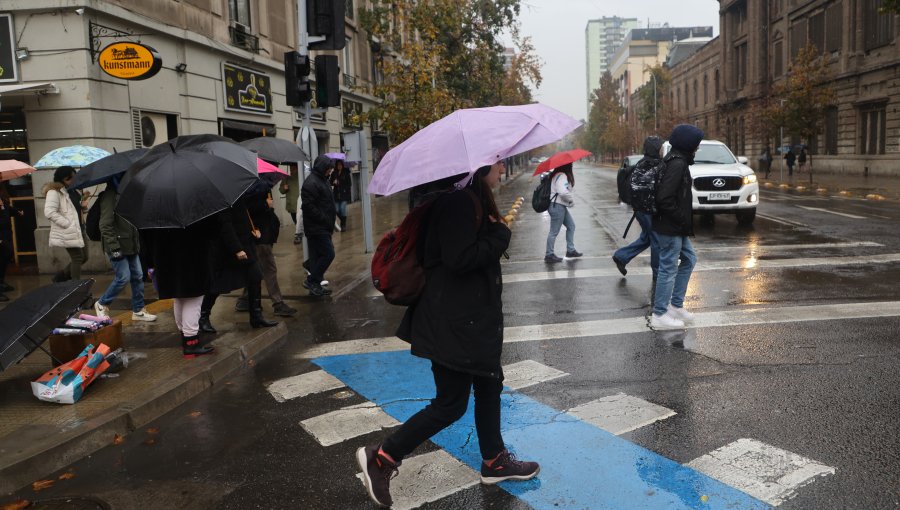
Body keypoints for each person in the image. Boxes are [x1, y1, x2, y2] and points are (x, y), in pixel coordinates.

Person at [356, 163, 539, 508]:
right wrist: (499, 236)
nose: (502, 166)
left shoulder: (466, 199)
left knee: (489, 385)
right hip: (455, 323)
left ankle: (494, 460)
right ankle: (382, 457)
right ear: (481, 167)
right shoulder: (457, 203)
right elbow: (458, 259)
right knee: (450, 404)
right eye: (497, 161)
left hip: (469, 321)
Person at [199, 196, 279, 333]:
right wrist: (237, 248)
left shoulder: (238, 195)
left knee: (255, 277)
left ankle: (256, 317)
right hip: (229, 250)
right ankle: (203, 317)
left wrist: (254, 230)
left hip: (247, 245)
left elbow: (243, 217)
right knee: (219, 284)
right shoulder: (223, 199)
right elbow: (226, 226)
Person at [650, 124, 702, 330]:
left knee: (689, 259)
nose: (697, 148)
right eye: (696, 144)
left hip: (675, 226)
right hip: (670, 226)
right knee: (668, 267)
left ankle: (675, 305)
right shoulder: (677, 164)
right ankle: (660, 314)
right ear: (688, 144)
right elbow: (664, 198)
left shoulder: (677, 160)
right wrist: (680, 218)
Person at [143, 218, 217, 358]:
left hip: (166, 262)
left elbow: (146, 239)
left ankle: (185, 336)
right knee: (193, 300)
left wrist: (150, 263)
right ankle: (191, 342)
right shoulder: (192, 211)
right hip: (191, 262)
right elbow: (211, 233)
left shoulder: (155, 212)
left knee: (180, 298)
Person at [93, 176, 157, 322]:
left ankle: (138, 310)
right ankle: (102, 303)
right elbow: (105, 225)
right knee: (123, 277)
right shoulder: (109, 196)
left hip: (131, 244)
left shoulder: (127, 195)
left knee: (138, 276)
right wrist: (114, 247)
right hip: (117, 245)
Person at [234, 182, 296, 317]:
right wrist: (265, 204)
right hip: (259, 235)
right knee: (269, 269)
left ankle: (244, 300)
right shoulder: (250, 187)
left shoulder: (260, 185)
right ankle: (278, 303)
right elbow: (246, 208)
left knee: (258, 269)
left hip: (265, 234)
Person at [612, 136, 662, 279]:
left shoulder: (644, 163)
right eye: (660, 148)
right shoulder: (649, 165)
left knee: (647, 238)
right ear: (655, 149)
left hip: (641, 210)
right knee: (656, 240)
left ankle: (621, 257)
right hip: (646, 210)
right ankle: (657, 274)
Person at [43, 166, 89, 281]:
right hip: (68, 230)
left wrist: (83, 206)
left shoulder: (74, 190)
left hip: (80, 228)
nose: (72, 180)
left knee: (85, 257)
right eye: (69, 178)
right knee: (78, 257)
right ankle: (74, 286)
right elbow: (49, 212)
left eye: (74, 177)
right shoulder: (55, 192)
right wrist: (67, 224)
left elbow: (75, 210)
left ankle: (60, 277)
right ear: (60, 179)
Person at [301, 155, 337, 297]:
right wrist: (324, 219)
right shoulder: (311, 183)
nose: (330, 172)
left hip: (323, 226)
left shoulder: (322, 180)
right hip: (316, 227)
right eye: (328, 169)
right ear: (323, 168)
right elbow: (308, 207)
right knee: (328, 254)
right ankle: (312, 280)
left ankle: (314, 279)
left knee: (320, 255)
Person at [544, 162, 582, 263]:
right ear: (567, 166)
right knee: (554, 231)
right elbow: (563, 192)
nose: (572, 167)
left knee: (571, 226)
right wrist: (571, 200)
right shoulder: (561, 176)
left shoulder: (556, 175)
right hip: (557, 207)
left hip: (558, 206)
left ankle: (570, 250)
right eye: (571, 165)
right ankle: (549, 254)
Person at [0, 184, 23, 302]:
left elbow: (7, 209)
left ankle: (1, 282)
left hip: (6, 232)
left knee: (6, 257)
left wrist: (17, 212)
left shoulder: (2, 194)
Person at [279, 163, 302, 245]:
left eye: (294, 168)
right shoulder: (286, 178)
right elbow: (281, 190)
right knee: (296, 221)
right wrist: (284, 188)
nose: (292, 169)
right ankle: (300, 234)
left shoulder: (301, 176)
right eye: (291, 168)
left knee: (299, 221)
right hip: (291, 204)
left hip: (300, 204)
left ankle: (298, 236)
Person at [330, 159, 352, 231]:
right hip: (336, 195)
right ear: (336, 166)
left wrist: (342, 186)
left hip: (344, 194)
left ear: (342, 165)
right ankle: (343, 222)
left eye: (340, 164)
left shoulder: (346, 173)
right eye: (338, 165)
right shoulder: (334, 173)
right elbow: (330, 182)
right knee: (336, 210)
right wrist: (334, 182)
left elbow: (349, 184)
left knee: (342, 209)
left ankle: (343, 225)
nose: (339, 166)